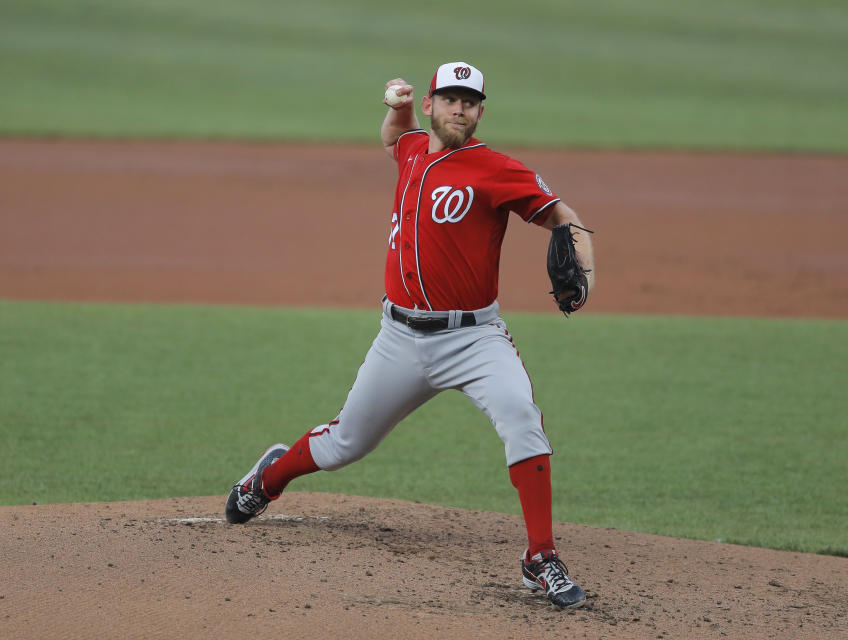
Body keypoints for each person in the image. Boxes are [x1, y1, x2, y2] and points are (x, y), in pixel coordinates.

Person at [225, 61, 596, 610]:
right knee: (347, 442)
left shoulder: (497, 169)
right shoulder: (414, 149)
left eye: (469, 102)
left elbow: (563, 216)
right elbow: (394, 138)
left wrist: (585, 271)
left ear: (480, 112)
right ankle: (268, 477)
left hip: (474, 340)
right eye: (448, 99)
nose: (459, 109)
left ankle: (540, 557)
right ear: (431, 105)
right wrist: (397, 110)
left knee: (521, 416)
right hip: (399, 338)